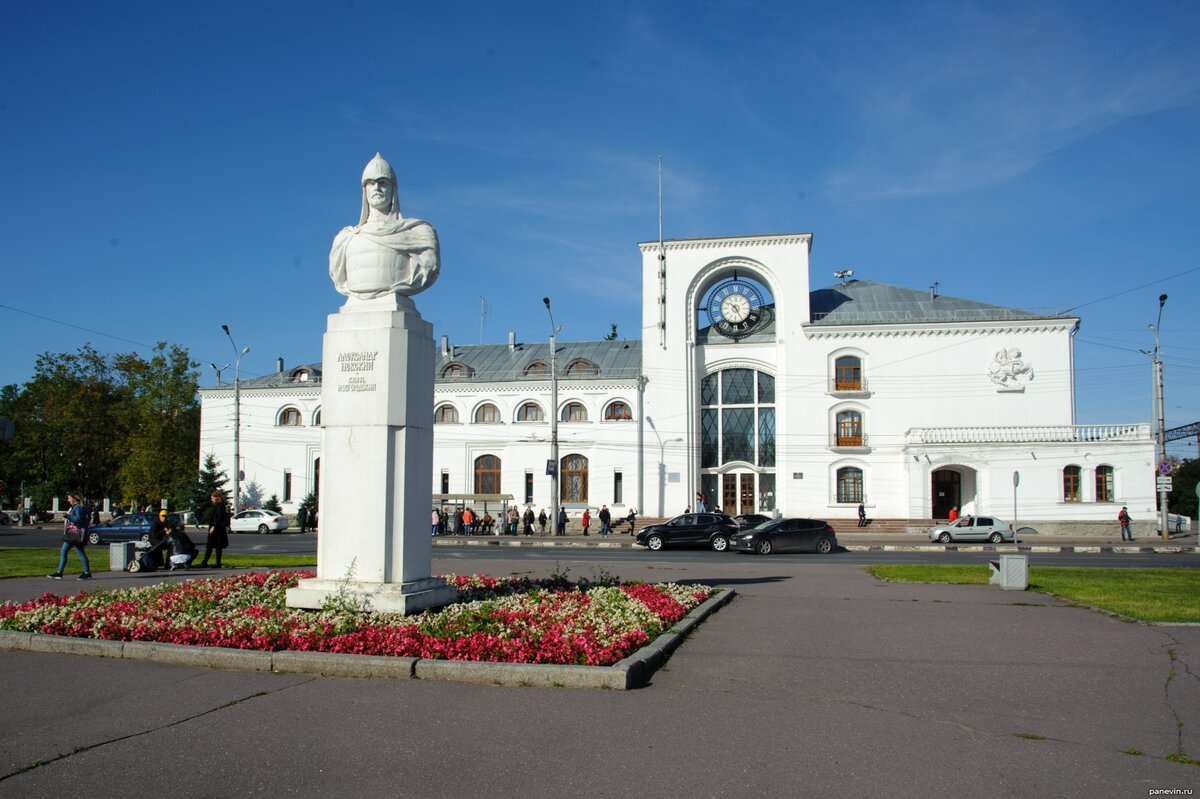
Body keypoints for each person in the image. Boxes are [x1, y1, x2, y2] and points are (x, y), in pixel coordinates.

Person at [329, 153, 440, 301]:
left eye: (383, 183)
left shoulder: (417, 232)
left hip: (398, 308)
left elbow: (430, 267)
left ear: (392, 188)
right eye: (371, 183)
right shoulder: (345, 239)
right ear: (365, 189)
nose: (377, 188)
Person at [49, 493, 91, 580]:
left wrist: (68, 516)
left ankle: (59, 573)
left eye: (69, 498)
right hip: (76, 534)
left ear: (74, 499)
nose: (68, 500)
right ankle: (87, 572)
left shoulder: (78, 507)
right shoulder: (77, 507)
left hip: (75, 534)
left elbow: (78, 519)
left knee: (64, 552)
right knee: (80, 553)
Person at [198, 491, 230, 568]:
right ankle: (214, 562)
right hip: (217, 528)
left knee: (211, 545)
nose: (211, 499)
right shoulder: (217, 505)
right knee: (216, 546)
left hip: (217, 529)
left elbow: (219, 518)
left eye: (213, 497)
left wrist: (213, 527)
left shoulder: (220, 506)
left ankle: (205, 562)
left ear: (217, 497)